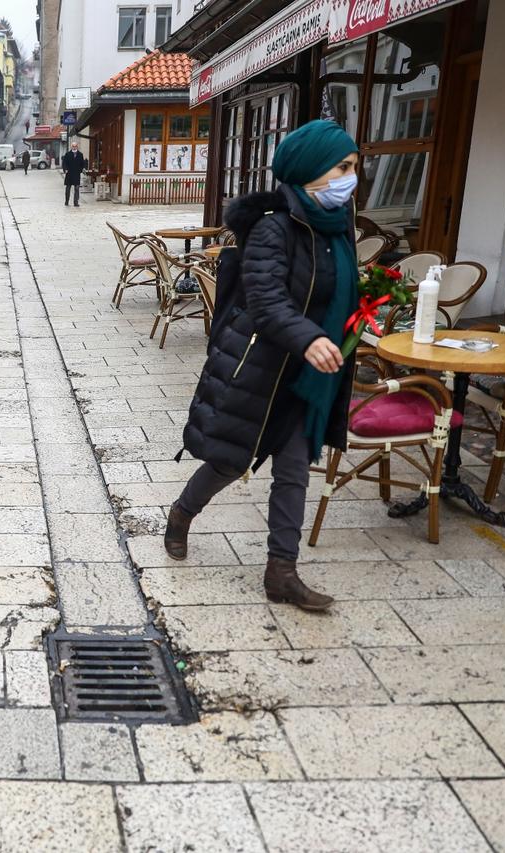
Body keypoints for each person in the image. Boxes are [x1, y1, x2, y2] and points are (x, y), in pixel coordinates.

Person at [166, 119, 361, 612]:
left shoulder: (339, 229)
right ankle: (182, 513)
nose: (351, 177)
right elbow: (267, 300)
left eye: (354, 167)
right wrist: (309, 337)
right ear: (312, 170)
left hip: (308, 377)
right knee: (230, 462)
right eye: (342, 167)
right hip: (260, 368)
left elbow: (338, 292)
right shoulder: (274, 227)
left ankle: (282, 571)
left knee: (294, 469)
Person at [61, 142, 85, 207]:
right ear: (71, 147)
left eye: (75, 146)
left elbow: (82, 164)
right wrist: (65, 169)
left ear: (77, 147)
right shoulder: (68, 154)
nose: (74, 147)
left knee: (77, 188)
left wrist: (81, 170)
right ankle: (66, 201)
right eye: (73, 146)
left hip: (76, 174)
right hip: (69, 173)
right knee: (68, 188)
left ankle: (76, 202)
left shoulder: (80, 154)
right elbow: (64, 163)